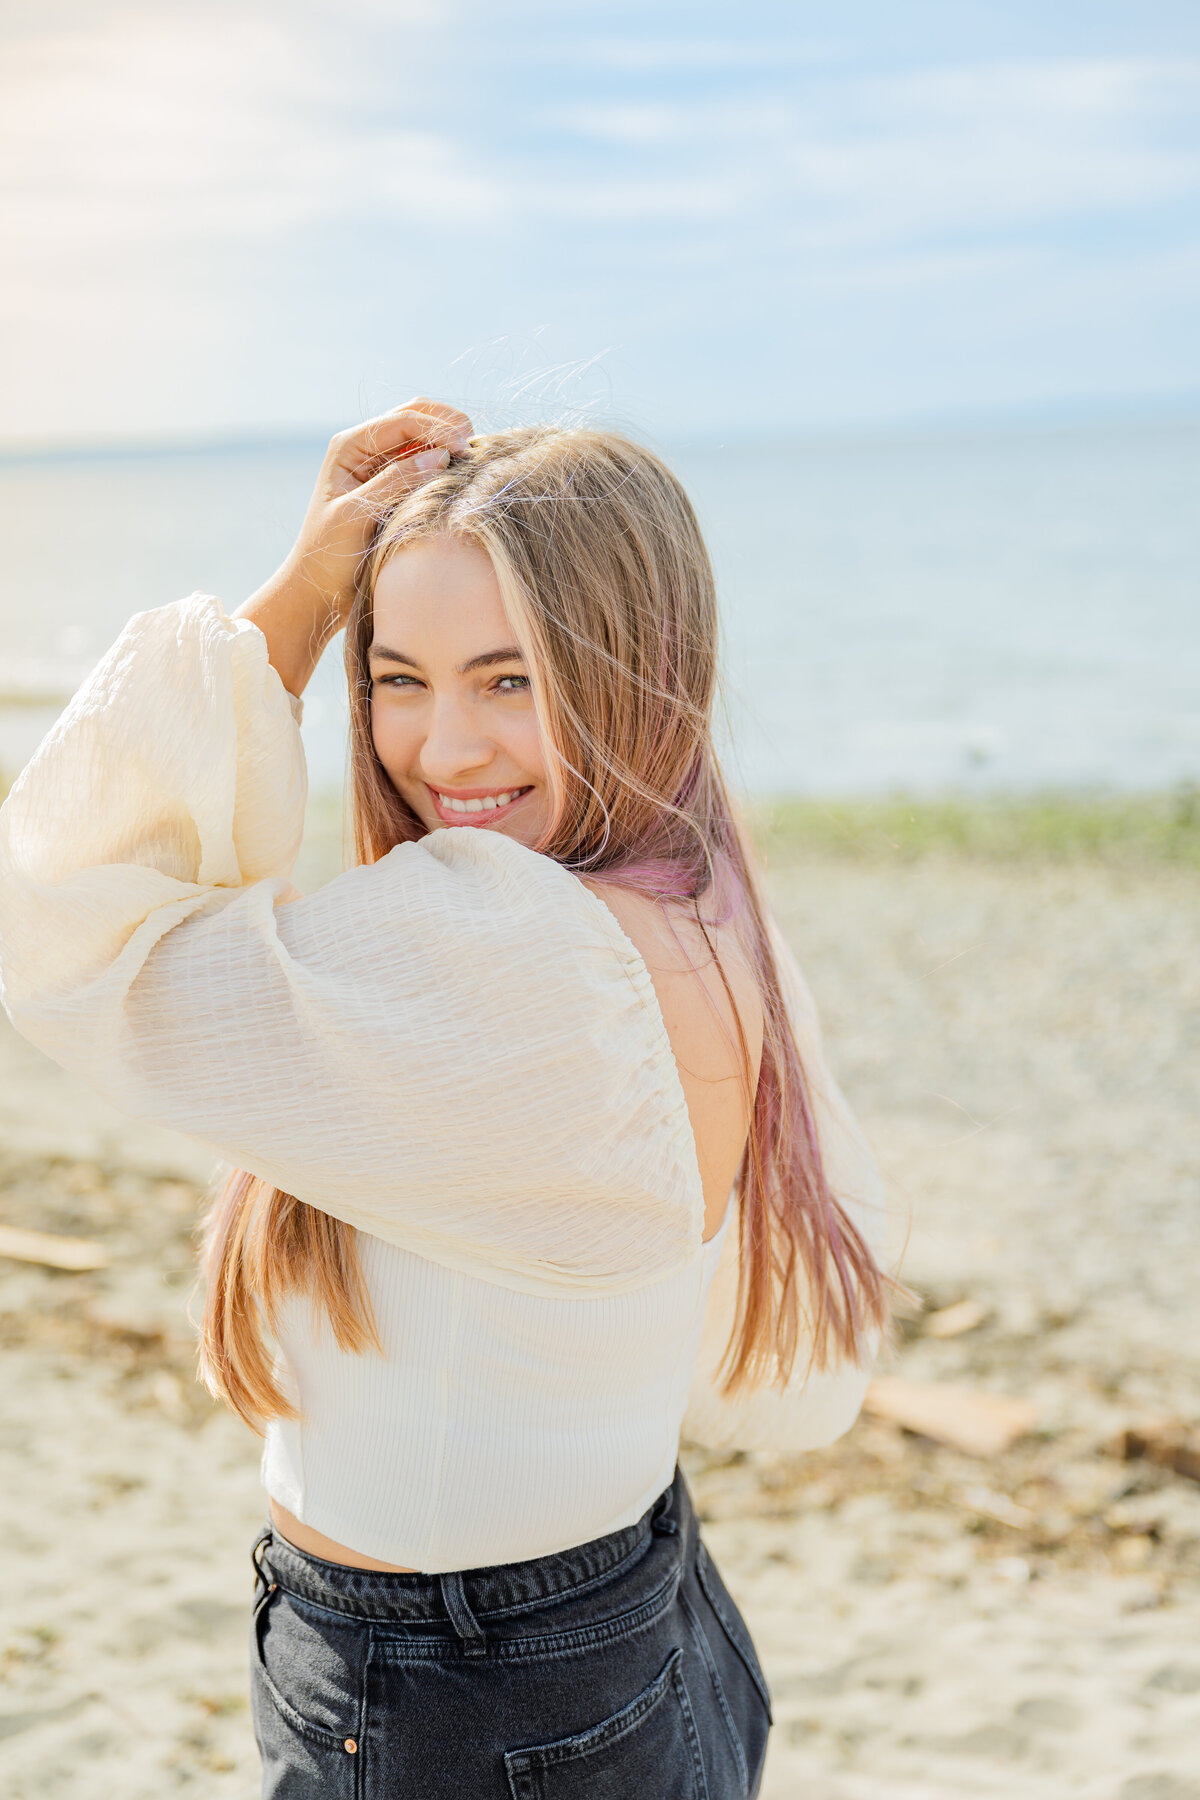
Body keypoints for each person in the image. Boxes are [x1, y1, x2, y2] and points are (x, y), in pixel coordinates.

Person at [0, 398, 892, 1798]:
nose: (443, 751)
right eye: (395, 676)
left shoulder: (522, 959)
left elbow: (61, 921)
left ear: (639, 672)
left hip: (452, 1698)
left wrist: (293, 603)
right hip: (633, 1625)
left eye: (511, 680)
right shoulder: (703, 903)